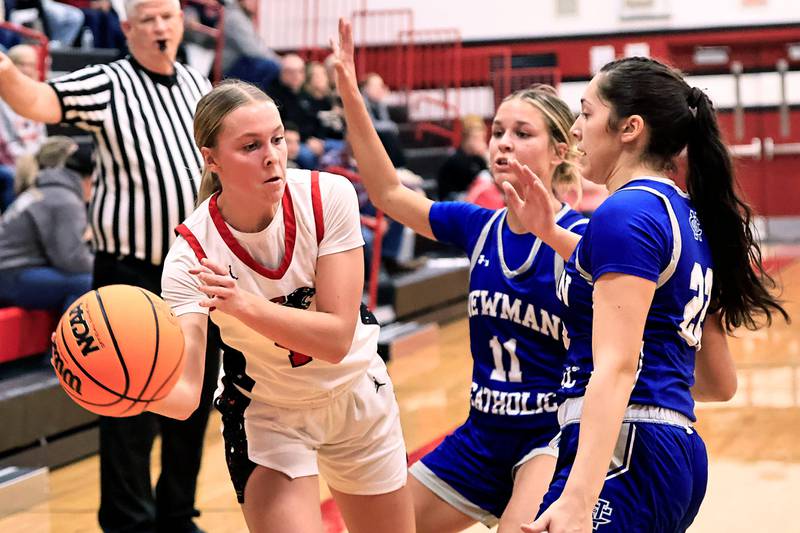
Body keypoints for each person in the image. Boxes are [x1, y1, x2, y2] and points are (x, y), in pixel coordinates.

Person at [502, 56, 788, 533]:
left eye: (587, 113)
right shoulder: (677, 213)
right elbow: (719, 383)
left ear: (629, 128)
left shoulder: (627, 212)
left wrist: (577, 499)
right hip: (666, 450)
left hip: (624, 454)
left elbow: (617, 365)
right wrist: (550, 233)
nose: (575, 129)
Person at [332, 19, 586, 532]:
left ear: (561, 151)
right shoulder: (478, 224)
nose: (503, 144)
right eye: (497, 133)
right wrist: (352, 97)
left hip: (551, 436)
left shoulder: (585, 235)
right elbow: (389, 195)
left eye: (522, 133)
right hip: (482, 431)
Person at [152, 79, 415, 533]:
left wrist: (241, 304)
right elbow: (185, 396)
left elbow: (335, 338)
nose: (272, 155)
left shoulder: (327, 196)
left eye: (277, 138)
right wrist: (129, 390)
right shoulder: (190, 255)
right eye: (250, 146)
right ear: (211, 159)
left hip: (356, 391)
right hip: (270, 414)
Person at [0, 0, 221, 531]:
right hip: (132, 271)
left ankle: (176, 514)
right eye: (148, 19)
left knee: (191, 404)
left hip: (196, 273)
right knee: (131, 403)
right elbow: (37, 101)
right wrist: (6, 66)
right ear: (127, 29)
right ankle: (128, 520)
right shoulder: (109, 82)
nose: (161, 27)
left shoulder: (198, 85)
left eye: (168, 16)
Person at [0, 137, 93, 312]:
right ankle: (68, 339)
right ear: (90, 179)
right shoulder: (65, 199)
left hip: (11, 271)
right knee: (87, 283)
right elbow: (72, 261)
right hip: (10, 275)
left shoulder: (46, 189)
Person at [0, 44, 47, 211]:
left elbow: (41, 137)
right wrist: (28, 164)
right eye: (22, 64)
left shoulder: (35, 96)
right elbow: (6, 145)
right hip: (9, 163)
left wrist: (41, 161)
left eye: (32, 65)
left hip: (30, 159)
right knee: (11, 176)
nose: (28, 70)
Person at [437, 115, 488, 201]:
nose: (481, 143)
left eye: (482, 138)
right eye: (476, 138)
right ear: (466, 138)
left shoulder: (479, 159)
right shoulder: (454, 161)